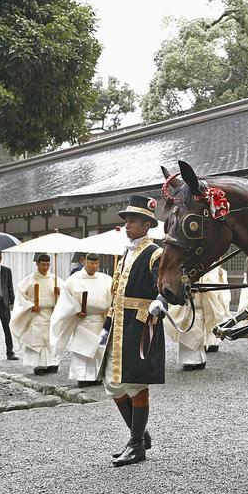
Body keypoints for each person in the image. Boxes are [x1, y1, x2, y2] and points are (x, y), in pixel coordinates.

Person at [98, 195, 168, 467]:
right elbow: (116, 293)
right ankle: (139, 434)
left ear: (147, 224)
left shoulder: (156, 253)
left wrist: (160, 304)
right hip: (119, 324)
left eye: (133, 221)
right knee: (113, 384)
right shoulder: (126, 253)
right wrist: (107, 325)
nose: (127, 225)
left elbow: (166, 286)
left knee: (136, 383)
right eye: (126, 221)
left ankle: (136, 444)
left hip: (141, 325)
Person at [50, 253, 111, 387]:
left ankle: (96, 376)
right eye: (91, 263)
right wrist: (77, 310)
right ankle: (82, 377)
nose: (94, 266)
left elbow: (112, 296)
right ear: (85, 263)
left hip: (100, 319)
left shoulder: (106, 279)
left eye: (96, 264)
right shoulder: (74, 280)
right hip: (83, 319)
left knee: (98, 349)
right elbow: (66, 298)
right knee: (82, 350)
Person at [164, 265, 227, 370]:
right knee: (187, 331)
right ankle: (188, 361)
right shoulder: (182, 266)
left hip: (200, 304)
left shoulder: (203, 267)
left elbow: (210, 282)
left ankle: (200, 360)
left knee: (198, 333)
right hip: (186, 306)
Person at [9, 253, 60, 375]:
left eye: (48, 264)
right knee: (37, 339)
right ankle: (38, 365)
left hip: (51, 313)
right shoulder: (30, 279)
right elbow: (20, 296)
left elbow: (66, 296)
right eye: (43, 264)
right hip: (36, 314)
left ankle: (52, 363)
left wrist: (59, 292)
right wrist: (31, 306)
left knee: (51, 339)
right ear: (37, 264)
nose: (45, 267)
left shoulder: (55, 279)